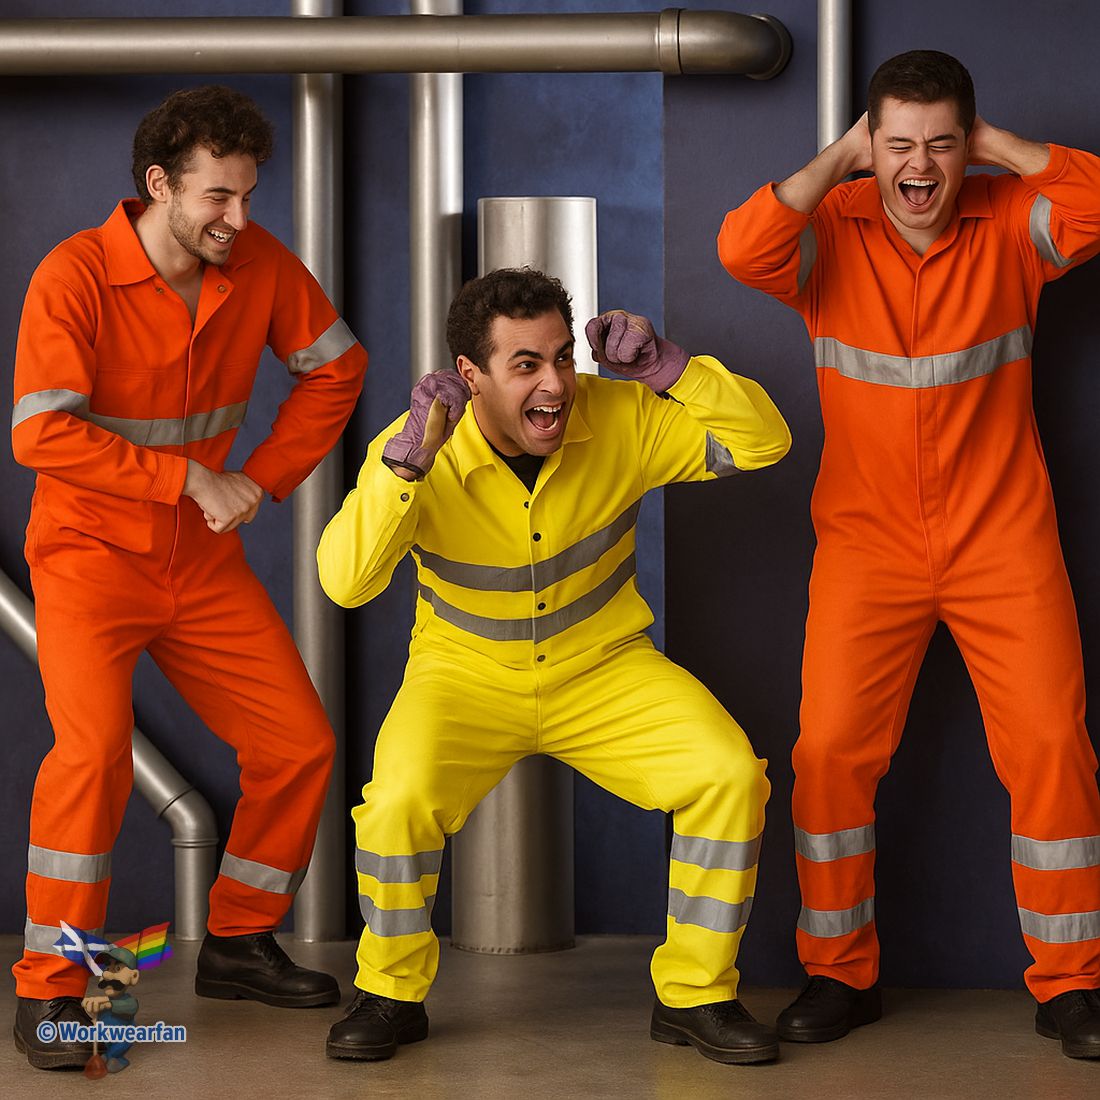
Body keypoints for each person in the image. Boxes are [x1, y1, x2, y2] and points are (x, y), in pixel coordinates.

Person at [718, 49, 1100, 1058]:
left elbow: (1097, 202)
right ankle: (838, 972)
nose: (917, 168)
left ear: (966, 143)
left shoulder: (1011, 221)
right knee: (828, 756)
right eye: (895, 146)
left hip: (1002, 540)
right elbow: (741, 249)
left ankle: (1071, 982)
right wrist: (836, 160)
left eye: (939, 144)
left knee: (1053, 749)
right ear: (867, 145)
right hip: (867, 547)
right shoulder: (828, 230)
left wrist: (998, 147)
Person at [317, 267, 791, 1066]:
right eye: (526, 365)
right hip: (462, 676)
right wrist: (403, 471)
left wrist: (670, 368)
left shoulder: (623, 416)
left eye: (562, 357)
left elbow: (763, 442)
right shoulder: (418, 444)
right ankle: (390, 994)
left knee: (729, 776)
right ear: (470, 375)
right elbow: (345, 582)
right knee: (395, 802)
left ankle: (696, 994)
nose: (556, 384)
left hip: (604, 668)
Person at [11, 85, 367, 1071]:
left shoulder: (256, 262)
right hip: (89, 558)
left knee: (297, 744)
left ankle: (240, 941)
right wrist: (187, 477)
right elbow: (39, 432)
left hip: (201, 564)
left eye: (249, 195)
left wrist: (263, 476)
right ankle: (50, 987)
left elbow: (337, 368)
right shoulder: (75, 274)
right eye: (218, 196)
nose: (238, 219)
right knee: (93, 758)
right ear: (160, 184)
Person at [82, 946, 142, 1074]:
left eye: (117, 969)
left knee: (116, 1051)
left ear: (134, 976)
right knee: (108, 1049)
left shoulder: (129, 1001)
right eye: (107, 968)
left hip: (123, 1037)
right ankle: (108, 1056)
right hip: (106, 1037)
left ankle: (115, 1058)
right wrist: (92, 1008)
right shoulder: (105, 1000)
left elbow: (130, 1007)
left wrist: (107, 1004)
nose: (106, 974)